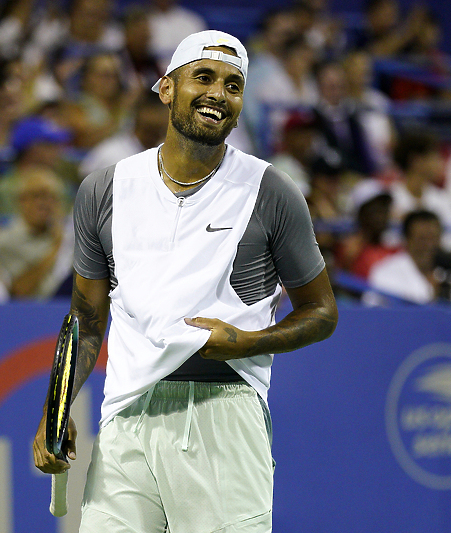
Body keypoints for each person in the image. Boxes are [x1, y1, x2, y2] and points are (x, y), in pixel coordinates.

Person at [32, 30, 338, 532]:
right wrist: (56, 404)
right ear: (167, 88)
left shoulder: (272, 190)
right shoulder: (102, 190)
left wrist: (245, 342)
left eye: (234, 85)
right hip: (126, 421)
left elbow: (322, 312)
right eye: (204, 77)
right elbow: (87, 320)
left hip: (225, 413)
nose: (219, 93)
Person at [366, 209, 451, 307]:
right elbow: (375, 316)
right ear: (407, 240)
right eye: (422, 239)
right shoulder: (385, 273)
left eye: (433, 238)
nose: (429, 245)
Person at [0, 170, 74, 299]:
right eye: (38, 196)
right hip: (28, 314)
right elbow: (18, 291)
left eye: (52, 197)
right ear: (22, 200)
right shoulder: (5, 240)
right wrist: (57, 247)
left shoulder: (71, 237)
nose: (46, 203)